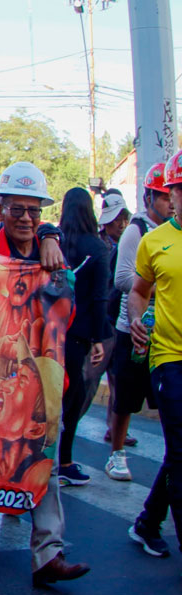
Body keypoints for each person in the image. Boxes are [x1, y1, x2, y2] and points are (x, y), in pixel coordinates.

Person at [0, 161, 92, 587]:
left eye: (34, 211)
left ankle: (49, 554)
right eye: (17, 209)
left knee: (45, 469)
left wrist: (51, 241)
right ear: (1, 207)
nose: (25, 218)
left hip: (42, 382)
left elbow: (67, 312)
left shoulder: (55, 257)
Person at [128, 149, 182, 559]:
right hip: (169, 356)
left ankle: (147, 522)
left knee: (180, 450)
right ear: (171, 195)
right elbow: (139, 291)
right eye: (180, 190)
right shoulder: (154, 241)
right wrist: (135, 320)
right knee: (181, 450)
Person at [107, 163, 172, 484]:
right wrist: (160, 281)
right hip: (133, 330)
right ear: (149, 197)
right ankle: (117, 455)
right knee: (126, 401)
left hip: (168, 334)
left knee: (168, 402)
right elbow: (121, 279)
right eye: (162, 195)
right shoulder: (138, 231)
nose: (169, 201)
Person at [51, 189, 112, 484]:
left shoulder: (55, 243)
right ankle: (64, 461)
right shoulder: (97, 248)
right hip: (79, 335)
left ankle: (36, 462)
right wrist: (99, 338)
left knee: (46, 399)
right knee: (72, 400)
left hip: (50, 332)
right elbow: (100, 297)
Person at [86, 193, 129, 445]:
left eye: (124, 219)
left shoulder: (125, 242)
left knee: (117, 379)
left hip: (117, 321)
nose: (121, 224)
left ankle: (115, 426)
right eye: (117, 220)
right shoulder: (100, 246)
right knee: (92, 379)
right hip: (105, 322)